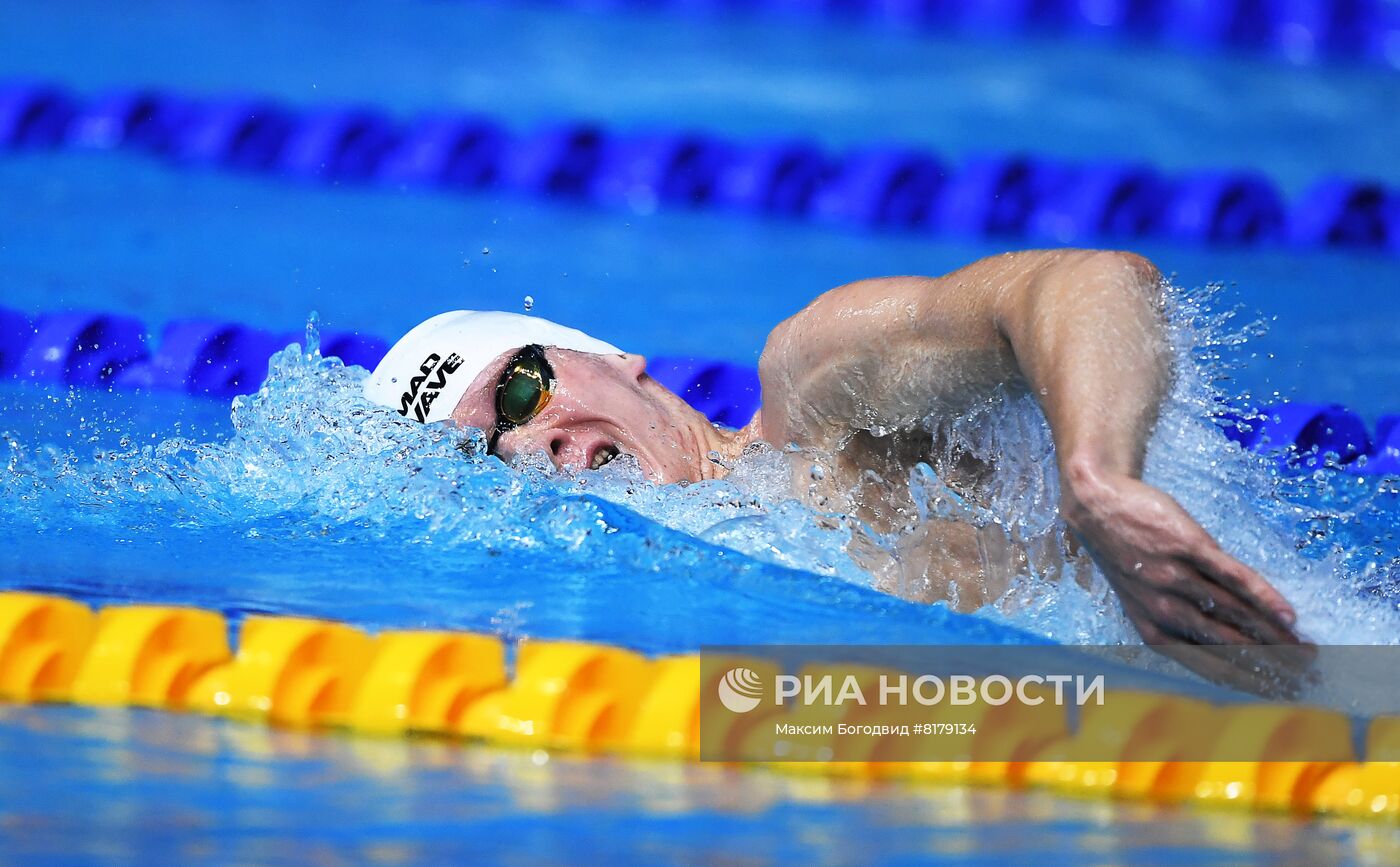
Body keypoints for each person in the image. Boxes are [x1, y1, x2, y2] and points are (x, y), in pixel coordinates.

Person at [365, 248, 1306, 673]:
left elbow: (1087, 283)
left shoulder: (823, 405)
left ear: (614, 357)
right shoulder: (637, 635)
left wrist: (1099, 477)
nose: (527, 444)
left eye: (520, 393)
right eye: (484, 461)